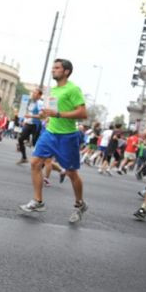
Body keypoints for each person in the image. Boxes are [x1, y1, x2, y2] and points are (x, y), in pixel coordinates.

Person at [19, 59, 88, 223]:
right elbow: (49, 113)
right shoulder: (53, 91)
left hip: (68, 136)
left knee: (71, 173)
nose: (53, 70)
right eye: (53, 68)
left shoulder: (73, 89)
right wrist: (44, 114)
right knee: (35, 162)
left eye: (57, 68)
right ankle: (38, 201)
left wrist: (58, 114)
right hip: (50, 132)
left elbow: (83, 113)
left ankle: (80, 204)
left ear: (66, 71)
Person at [17, 88, 43, 164]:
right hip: (29, 124)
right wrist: (24, 121)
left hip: (36, 125)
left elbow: (41, 116)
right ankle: (24, 157)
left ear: (39, 95)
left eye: (35, 93)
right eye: (33, 93)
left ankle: (43, 162)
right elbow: (29, 113)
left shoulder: (40, 103)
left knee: (36, 145)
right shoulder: (31, 103)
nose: (33, 94)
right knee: (20, 139)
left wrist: (30, 117)